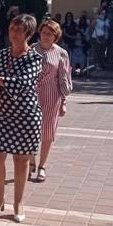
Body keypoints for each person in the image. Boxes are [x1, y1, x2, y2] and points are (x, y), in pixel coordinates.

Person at [0, 14, 42, 224]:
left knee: (21, 159)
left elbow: (21, 83)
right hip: (1, 113)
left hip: (26, 114)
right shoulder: (3, 54)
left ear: (28, 34)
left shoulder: (35, 58)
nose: (13, 33)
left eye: (19, 30)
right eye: (12, 29)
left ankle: (19, 202)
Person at [32, 20, 72, 182]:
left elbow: (64, 78)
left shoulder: (61, 53)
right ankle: (30, 161)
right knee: (30, 130)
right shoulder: (31, 50)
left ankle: (42, 166)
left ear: (56, 36)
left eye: (50, 34)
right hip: (31, 95)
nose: (46, 36)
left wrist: (64, 101)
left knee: (48, 132)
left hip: (51, 96)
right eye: (44, 33)